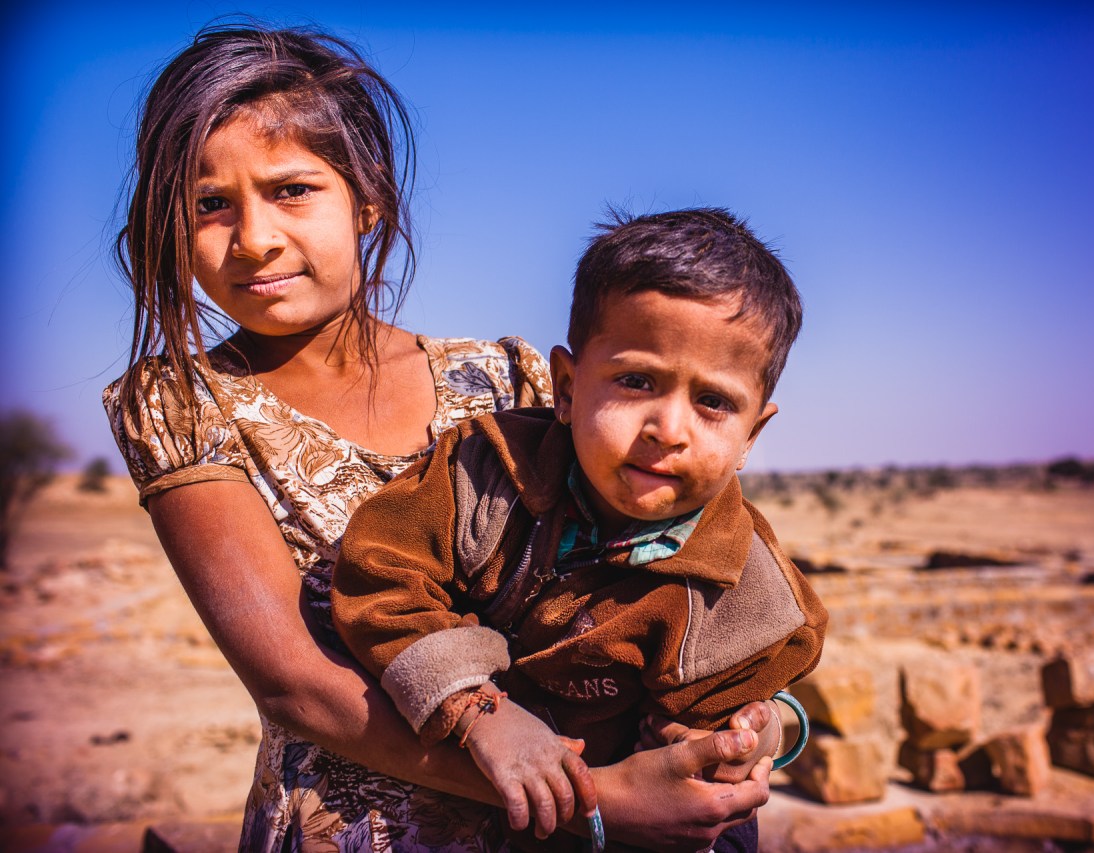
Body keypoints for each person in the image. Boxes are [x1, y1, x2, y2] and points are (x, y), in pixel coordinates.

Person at [103, 24, 774, 852]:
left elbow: (653, 579)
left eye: (292, 190)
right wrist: (595, 795)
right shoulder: (179, 403)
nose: (254, 238)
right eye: (211, 205)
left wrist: (748, 721)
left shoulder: (507, 379)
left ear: (368, 199)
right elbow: (296, 687)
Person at [331, 208, 828, 851]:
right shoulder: (483, 476)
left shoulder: (745, 588)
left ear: (751, 435)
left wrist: (740, 737)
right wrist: (484, 714)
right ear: (565, 387)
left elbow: (733, 727)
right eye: (636, 381)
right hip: (465, 793)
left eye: (713, 402)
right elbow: (379, 578)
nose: (668, 429)